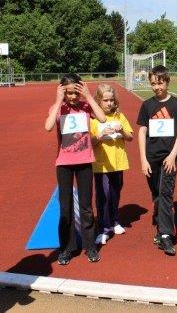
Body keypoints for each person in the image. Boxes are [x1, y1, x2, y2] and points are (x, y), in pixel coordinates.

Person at [44, 74, 106, 265]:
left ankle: (90, 246)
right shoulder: (58, 108)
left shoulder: (86, 106)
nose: (72, 97)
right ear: (62, 91)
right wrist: (58, 100)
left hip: (85, 161)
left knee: (86, 207)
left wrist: (88, 96)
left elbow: (102, 118)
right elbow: (47, 127)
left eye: (75, 93)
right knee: (66, 207)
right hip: (64, 163)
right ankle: (67, 248)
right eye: (68, 93)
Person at [136, 65, 177, 256]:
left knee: (166, 192)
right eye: (153, 84)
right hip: (151, 156)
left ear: (167, 82)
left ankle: (166, 234)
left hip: (169, 157)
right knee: (156, 193)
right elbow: (142, 131)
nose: (157, 87)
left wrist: (173, 155)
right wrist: (143, 159)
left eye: (160, 83)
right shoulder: (147, 105)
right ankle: (161, 224)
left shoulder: (176, 104)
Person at [89, 83, 133, 245]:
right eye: (105, 100)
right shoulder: (93, 119)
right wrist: (100, 135)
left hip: (118, 162)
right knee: (104, 195)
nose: (109, 103)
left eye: (111, 100)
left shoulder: (119, 116)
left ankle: (114, 220)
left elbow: (130, 137)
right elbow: (89, 142)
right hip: (101, 164)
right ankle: (103, 228)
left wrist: (121, 130)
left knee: (115, 193)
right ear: (98, 101)